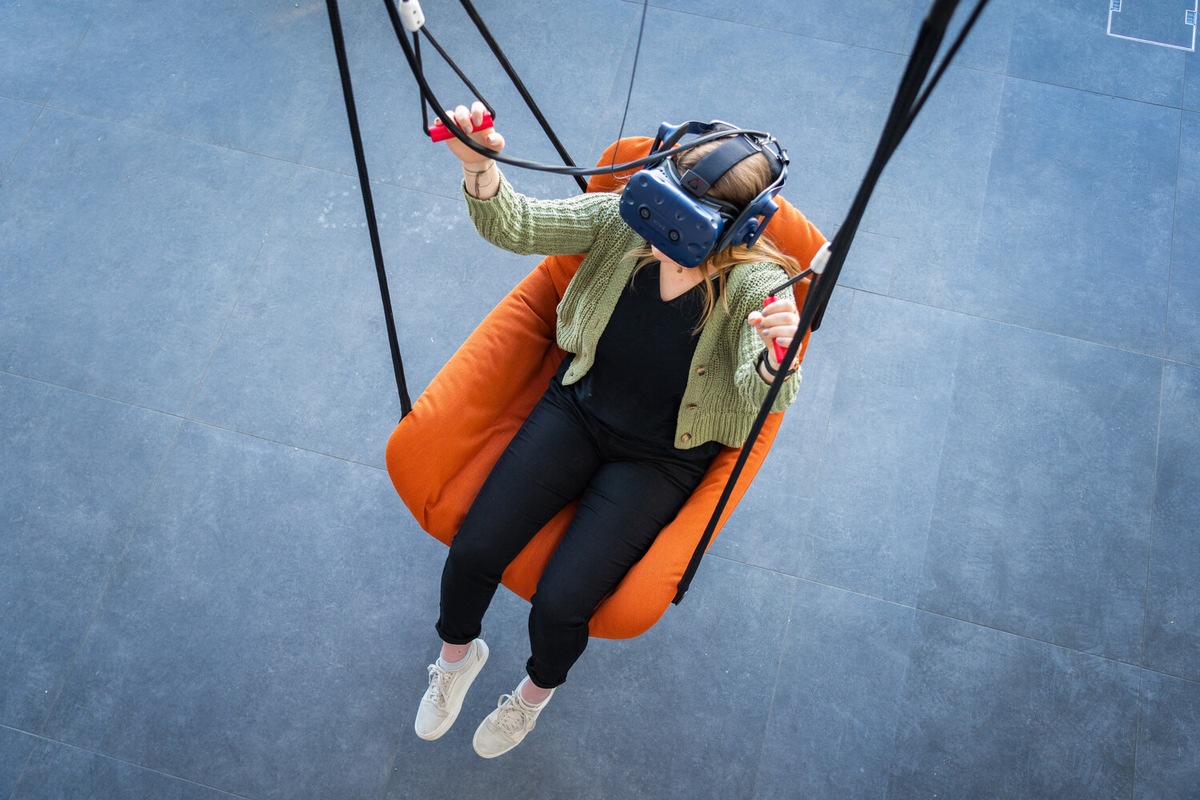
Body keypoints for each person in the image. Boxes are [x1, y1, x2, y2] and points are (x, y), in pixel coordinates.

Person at [414, 101, 810, 758]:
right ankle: (458, 656)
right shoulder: (628, 219)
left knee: (561, 606)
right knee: (475, 549)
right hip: (581, 405)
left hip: (663, 457)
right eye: (658, 199)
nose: (655, 225)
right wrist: (480, 168)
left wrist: (776, 355)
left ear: (730, 228)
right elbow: (518, 226)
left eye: (679, 222)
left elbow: (762, 387)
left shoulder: (758, 284)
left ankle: (535, 694)